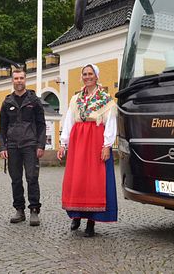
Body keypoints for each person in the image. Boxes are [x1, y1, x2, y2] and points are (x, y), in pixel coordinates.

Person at [56, 64, 118, 237]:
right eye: (85, 74)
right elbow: (69, 121)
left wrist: (107, 145)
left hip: (95, 141)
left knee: (94, 181)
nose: (87, 76)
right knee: (78, 179)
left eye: (90, 74)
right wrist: (63, 143)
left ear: (97, 76)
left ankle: (91, 222)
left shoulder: (106, 100)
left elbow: (110, 124)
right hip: (78, 142)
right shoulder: (76, 99)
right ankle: (76, 215)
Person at [0, 69, 46, 226]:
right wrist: (2, 147)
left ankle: (34, 210)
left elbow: (41, 125)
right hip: (12, 145)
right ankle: (19, 209)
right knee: (16, 179)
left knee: (32, 177)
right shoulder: (7, 102)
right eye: (16, 78)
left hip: (30, 145)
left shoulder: (34, 101)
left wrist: (40, 145)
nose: (19, 80)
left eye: (21, 78)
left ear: (26, 79)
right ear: (12, 81)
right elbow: (2, 128)